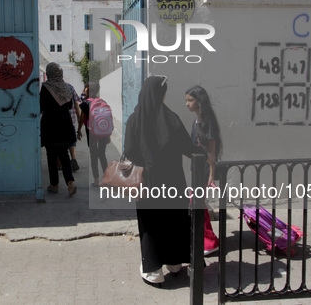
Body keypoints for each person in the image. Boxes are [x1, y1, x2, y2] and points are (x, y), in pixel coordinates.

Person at [124, 75, 201, 287]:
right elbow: (189, 149)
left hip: (147, 184)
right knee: (174, 221)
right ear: (160, 93)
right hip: (174, 182)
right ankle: (175, 264)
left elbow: (129, 151)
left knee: (151, 226)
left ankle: (153, 270)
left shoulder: (134, 119)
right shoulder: (171, 118)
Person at [185, 85, 222, 256]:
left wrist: (212, 175)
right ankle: (206, 239)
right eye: (187, 100)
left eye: (190, 100)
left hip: (205, 170)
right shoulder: (196, 121)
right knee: (198, 204)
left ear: (200, 101)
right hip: (197, 169)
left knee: (198, 204)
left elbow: (212, 152)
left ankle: (210, 241)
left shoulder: (208, 123)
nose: (187, 104)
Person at [40, 63, 77, 196]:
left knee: (51, 156)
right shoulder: (66, 87)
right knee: (64, 155)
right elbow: (70, 105)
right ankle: (70, 181)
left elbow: (41, 106)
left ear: (49, 72)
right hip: (65, 126)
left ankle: (54, 184)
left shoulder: (46, 87)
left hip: (50, 127)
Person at [77, 81, 109, 188]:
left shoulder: (86, 103)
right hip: (103, 133)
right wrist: (108, 135)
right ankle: (106, 180)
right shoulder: (102, 101)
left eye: (85, 88)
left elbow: (82, 118)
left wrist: (78, 130)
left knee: (94, 155)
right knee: (102, 154)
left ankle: (96, 180)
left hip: (92, 133)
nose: (84, 90)